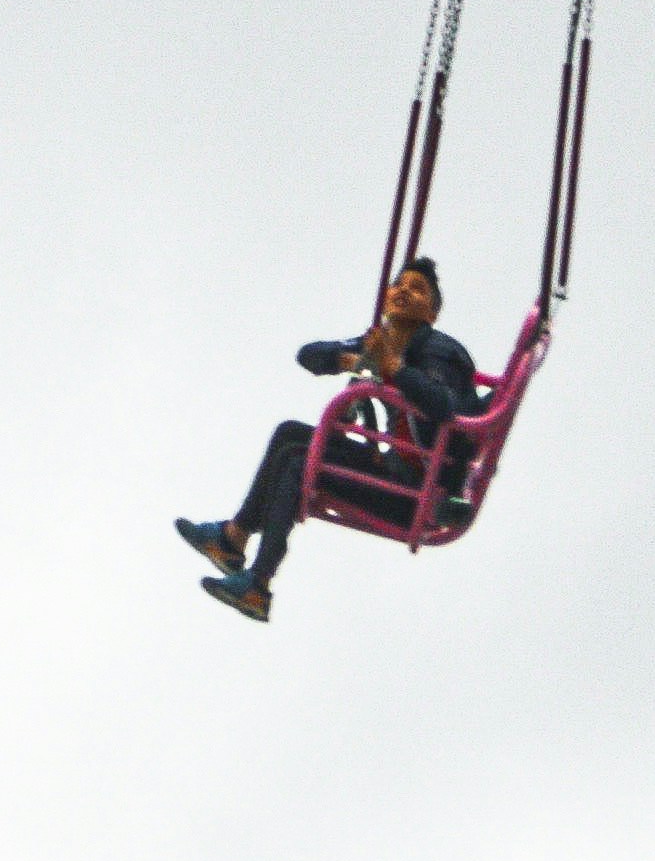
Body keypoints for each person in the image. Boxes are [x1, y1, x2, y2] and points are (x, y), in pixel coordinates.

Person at [175, 258, 485, 620]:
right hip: (395, 469)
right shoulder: (384, 341)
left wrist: (394, 370)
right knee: (290, 434)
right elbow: (307, 355)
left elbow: (444, 407)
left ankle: (258, 585)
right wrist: (354, 360)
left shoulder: (441, 352)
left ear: (431, 314)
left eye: (417, 290)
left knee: (298, 461)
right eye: (399, 284)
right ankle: (233, 537)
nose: (403, 291)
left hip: (418, 493)